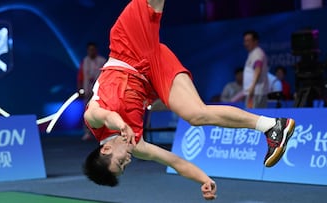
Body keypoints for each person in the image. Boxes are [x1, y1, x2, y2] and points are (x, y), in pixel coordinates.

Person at [83, 0, 295, 200]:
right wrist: (204, 179)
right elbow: (174, 161)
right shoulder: (136, 145)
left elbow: (106, 115)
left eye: (120, 163)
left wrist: (121, 125)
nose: (128, 161)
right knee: (196, 114)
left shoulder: (94, 121)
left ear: (106, 149)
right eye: (124, 167)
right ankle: (272, 126)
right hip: (152, 72)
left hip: (126, 49)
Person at [77, 42, 107, 140]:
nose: (91, 51)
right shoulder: (84, 61)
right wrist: (80, 89)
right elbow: (80, 77)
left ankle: (104, 133)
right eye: (90, 49)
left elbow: (107, 76)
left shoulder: (102, 61)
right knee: (87, 112)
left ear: (96, 50)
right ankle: (87, 133)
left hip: (100, 92)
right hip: (87, 91)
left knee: (102, 112)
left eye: (93, 49)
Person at [242, 30, 269, 108]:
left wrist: (252, 87)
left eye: (248, 41)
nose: (245, 44)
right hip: (253, 92)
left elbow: (258, 69)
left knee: (254, 116)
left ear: (255, 41)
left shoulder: (257, 53)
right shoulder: (252, 53)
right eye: (245, 41)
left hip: (256, 92)